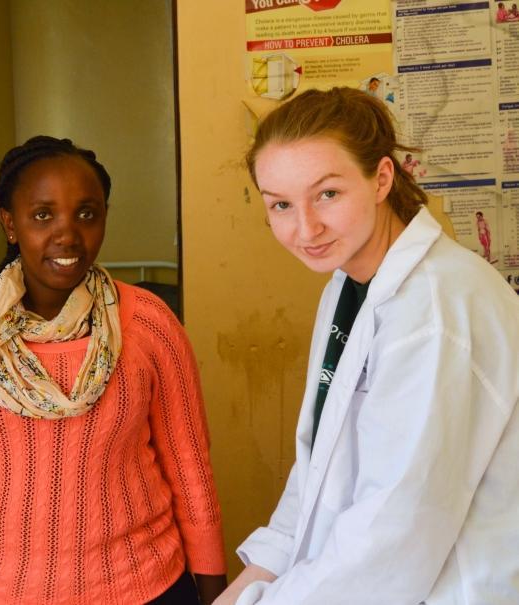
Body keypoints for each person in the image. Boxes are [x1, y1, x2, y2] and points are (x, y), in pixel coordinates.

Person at [217, 87, 519, 604]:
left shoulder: (434, 310)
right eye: (282, 205)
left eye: (327, 194)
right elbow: (319, 464)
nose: (305, 227)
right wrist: (257, 575)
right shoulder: (350, 285)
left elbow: (392, 535)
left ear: (381, 178)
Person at [0, 136, 227, 605]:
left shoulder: (149, 323)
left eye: (87, 214)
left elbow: (191, 468)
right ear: (10, 224)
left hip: (139, 585)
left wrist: (214, 587)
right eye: (43, 215)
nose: (67, 234)